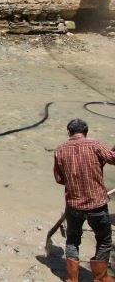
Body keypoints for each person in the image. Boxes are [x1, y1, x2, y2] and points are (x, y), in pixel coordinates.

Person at [54, 118, 115, 282]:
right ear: (86, 132)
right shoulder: (95, 145)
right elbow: (113, 159)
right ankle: (101, 277)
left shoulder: (59, 150)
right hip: (97, 204)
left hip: (73, 205)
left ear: (69, 132)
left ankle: (72, 279)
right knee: (103, 239)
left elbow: (59, 179)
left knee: (72, 240)